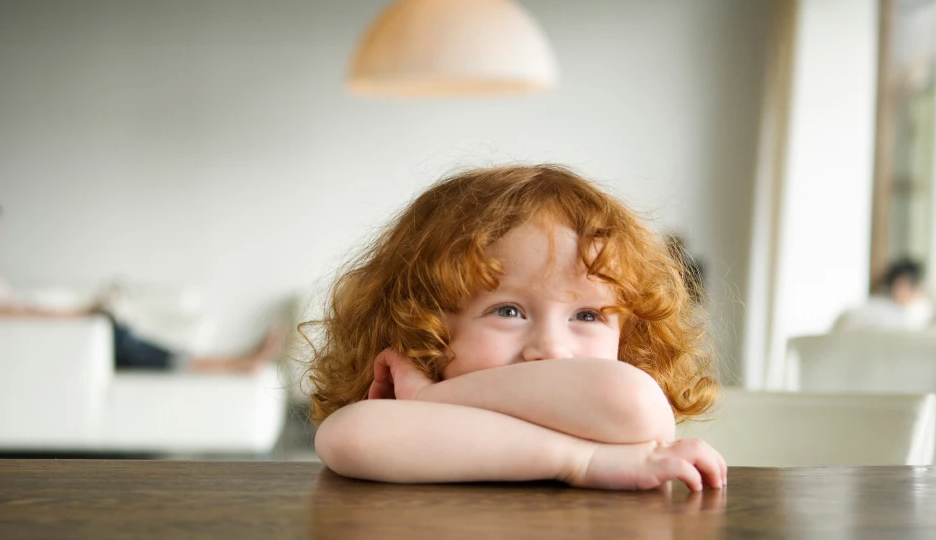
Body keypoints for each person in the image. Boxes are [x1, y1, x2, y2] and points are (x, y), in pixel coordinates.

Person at [306, 165, 726, 491]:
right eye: (508, 311)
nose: (551, 348)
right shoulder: (416, 422)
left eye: (586, 316)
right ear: (424, 327)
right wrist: (583, 461)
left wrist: (436, 395)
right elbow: (346, 438)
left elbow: (638, 406)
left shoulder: (622, 421)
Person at [0, 197, 283, 373]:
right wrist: (78, 316)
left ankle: (233, 359)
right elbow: (11, 316)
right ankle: (234, 362)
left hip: (63, 334)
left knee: (128, 328)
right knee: (128, 342)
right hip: (59, 338)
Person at [831, 258, 935, 332]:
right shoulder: (866, 312)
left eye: (907, 284)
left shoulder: (923, 311)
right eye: (899, 284)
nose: (901, 290)